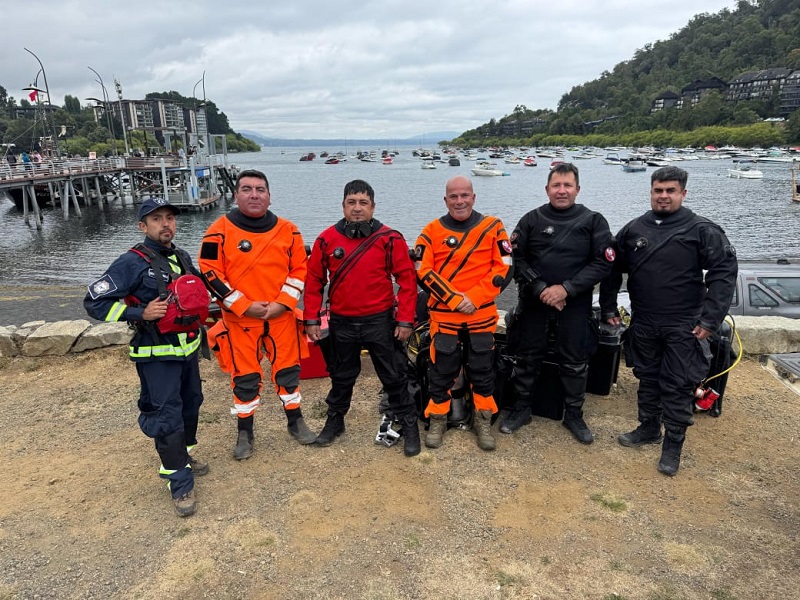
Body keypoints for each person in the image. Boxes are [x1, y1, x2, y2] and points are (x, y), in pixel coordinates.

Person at [600, 166, 737, 476]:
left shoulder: (702, 230)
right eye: (658, 190)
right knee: (647, 378)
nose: (663, 196)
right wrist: (608, 308)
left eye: (670, 191)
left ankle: (673, 446)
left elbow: (724, 273)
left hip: (685, 323)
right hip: (645, 319)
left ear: (683, 193)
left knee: (677, 385)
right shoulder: (634, 230)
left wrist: (711, 319)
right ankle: (648, 428)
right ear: (651, 192)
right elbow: (612, 269)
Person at [84, 197, 207, 517]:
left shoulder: (180, 255)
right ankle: (179, 481)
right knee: (167, 416)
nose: (166, 223)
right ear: (143, 226)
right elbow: (94, 302)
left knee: (192, 404)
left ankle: (185, 455)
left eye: (170, 218)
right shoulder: (131, 262)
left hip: (188, 350)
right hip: (156, 356)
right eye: (157, 219)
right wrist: (140, 311)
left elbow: (194, 291)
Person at [198, 169, 315, 460]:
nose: (254, 194)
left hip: (281, 317)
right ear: (236, 195)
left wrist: (282, 303)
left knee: (289, 373)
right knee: (245, 378)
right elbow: (210, 273)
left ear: (269, 195)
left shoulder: (290, 230)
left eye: (260, 189)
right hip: (240, 321)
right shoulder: (218, 231)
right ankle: (245, 431)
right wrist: (243, 305)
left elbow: (300, 270)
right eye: (247, 189)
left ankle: (295, 421)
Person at [304, 179, 420, 456]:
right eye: (351, 202)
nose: (357, 209)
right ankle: (335, 422)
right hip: (341, 321)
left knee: (393, 376)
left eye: (363, 203)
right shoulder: (326, 240)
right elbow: (313, 281)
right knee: (341, 376)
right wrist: (310, 319)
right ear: (343, 205)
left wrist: (405, 320)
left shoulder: (390, 239)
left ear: (373, 206)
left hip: (379, 321)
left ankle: (410, 425)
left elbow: (406, 280)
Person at [501, 162, 615, 443]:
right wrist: (541, 288)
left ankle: (574, 415)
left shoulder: (593, 221)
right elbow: (515, 258)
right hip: (534, 303)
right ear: (547, 189)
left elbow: (604, 262)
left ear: (577, 189)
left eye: (567, 186)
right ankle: (521, 409)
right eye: (556, 185)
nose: (561, 191)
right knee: (527, 358)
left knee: (575, 362)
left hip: (574, 305)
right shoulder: (531, 220)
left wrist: (567, 289)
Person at [413, 175, 513, 451]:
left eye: (464, 195)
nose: (460, 201)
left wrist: (474, 298)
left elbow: (503, 267)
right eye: (453, 197)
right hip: (445, 316)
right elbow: (423, 271)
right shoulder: (430, 231)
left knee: (483, 370)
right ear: (445, 200)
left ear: (473, 197)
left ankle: (482, 420)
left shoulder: (493, 227)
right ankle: (437, 419)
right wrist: (455, 299)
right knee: (441, 371)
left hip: (481, 314)